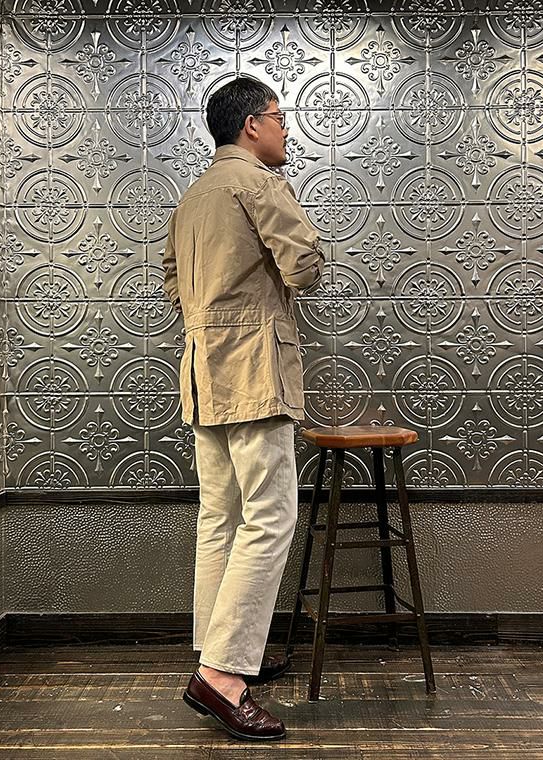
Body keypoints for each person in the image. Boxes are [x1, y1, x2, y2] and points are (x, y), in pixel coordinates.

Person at [161, 75, 325, 741]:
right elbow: (305, 265)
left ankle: (217, 653)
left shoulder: (194, 195)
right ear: (251, 125)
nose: (286, 130)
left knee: (220, 520)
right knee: (270, 517)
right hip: (255, 368)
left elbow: (171, 282)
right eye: (279, 117)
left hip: (203, 373)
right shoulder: (258, 182)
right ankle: (224, 676)